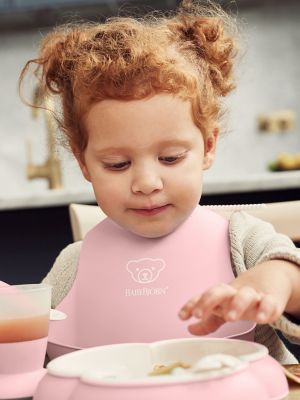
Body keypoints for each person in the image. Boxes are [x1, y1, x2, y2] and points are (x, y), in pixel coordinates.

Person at [19, 0, 300, 363]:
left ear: (208, 146)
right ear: (83, 162)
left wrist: (275, 282)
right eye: (117, 164)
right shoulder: (73, 264)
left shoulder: (242, 240)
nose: (147, 183)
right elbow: (28, 343)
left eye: (170, 158)